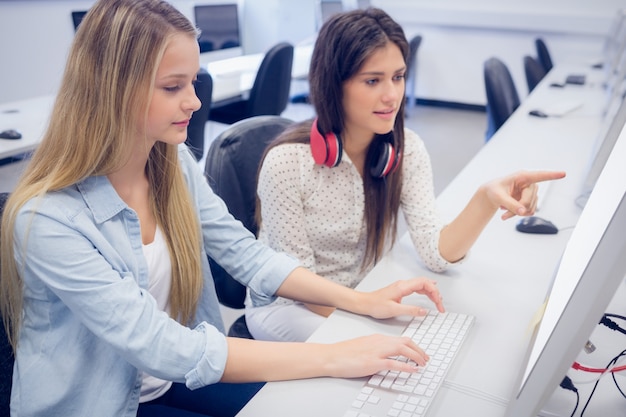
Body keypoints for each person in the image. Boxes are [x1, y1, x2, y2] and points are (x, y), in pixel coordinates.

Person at [0, 1, 447, 416]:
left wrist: (361, 301)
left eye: (193, 81)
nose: (195, 101)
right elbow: (160, 345)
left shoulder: (171, 165)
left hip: (175, 380)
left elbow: (247, 255)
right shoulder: (48, 221)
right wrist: (332, 354)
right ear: (111, 89)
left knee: (321, 401)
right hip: (105, 403)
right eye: (174, 86)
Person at [244, 7, 566, 343]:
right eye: (373, 80)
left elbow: (435, 251)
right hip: (289, 307)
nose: (391, 95)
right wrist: (367, 310)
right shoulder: (286, 164)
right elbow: (299, 284)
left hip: (360, 294)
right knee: (388, 352)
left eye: (397, 77)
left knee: (430, 340)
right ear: (333, 84)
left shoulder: (405, 150)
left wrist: (485, 198)